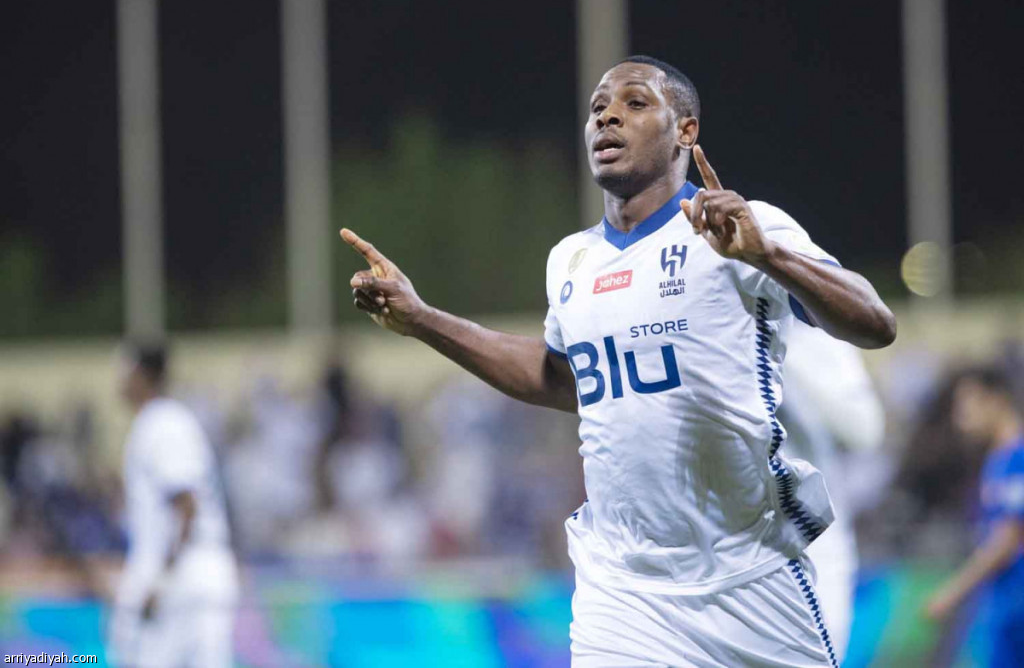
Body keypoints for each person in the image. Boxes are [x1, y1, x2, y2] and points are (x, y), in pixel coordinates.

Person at [342, 55, 896, 667]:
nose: (607, 116)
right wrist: (421, 319)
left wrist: (769, 257)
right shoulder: (571, 260)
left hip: (749, 578)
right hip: (623, 590)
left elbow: (875, 324)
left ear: (685, 131)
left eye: (635, 103)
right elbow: (559, 377)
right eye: (598, 108)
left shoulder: (743, 226)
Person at [110, 344, 238, 668]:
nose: (118, 381)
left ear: (142, 374)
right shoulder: (159, 421)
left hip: (183, 575)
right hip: (186, 571)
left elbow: (186, 506)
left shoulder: (163, 423)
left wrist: (160, 581)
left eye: (124, 371)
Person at [779, 320, 887, 661]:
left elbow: (865, 430)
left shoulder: (809, 333)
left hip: (811, 546)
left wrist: (775, 351)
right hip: (714, 548)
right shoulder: (687, 323)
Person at [925, 368, 1024, 667]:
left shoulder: (1018, 456)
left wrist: (952, 593)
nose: (960, 418)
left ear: (995, 400)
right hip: (1005, 601)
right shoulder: (998, 459)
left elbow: (1009, 538)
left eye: (966, 405)